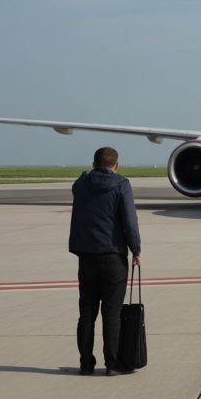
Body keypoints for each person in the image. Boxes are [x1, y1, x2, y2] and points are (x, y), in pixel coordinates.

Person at [69, 147, 142, 376]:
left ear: (93, 164)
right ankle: (112, 364)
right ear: (116, 165)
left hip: (87, 257)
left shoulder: (81, 184)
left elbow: (80, 185)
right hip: (113, 257)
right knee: (112, 314)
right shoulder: (121, 184)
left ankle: (86, 364)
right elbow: (129, 221)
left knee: (87, 313)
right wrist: (136, 249)